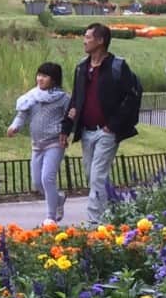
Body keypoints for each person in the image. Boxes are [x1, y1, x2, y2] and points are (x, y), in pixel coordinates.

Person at [64, 23, 142, 223]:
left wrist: (113, 125)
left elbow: (131, 97)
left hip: (107, 132)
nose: (84, 40)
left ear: (100, 41)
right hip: (86, 131)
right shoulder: (82, 67)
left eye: (88, 37)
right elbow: (76, 99)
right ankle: (116, 208)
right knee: (93, 176)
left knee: (97, 176)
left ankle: (95, 223)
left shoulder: (118, 66)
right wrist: (67, 127)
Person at [7, 60, 70, 223]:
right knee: (37, 182)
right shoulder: (31, 96)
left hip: (55, 143)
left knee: (47, 178)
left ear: (54, 79)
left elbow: (70, 118)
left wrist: (66, 132)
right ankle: (58, 199)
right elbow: (22, 115)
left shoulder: (63, 99)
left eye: (45, 76)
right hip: (37, 145)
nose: (40, 79)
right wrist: (15, 127)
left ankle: (50, 217)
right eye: (39, 75)